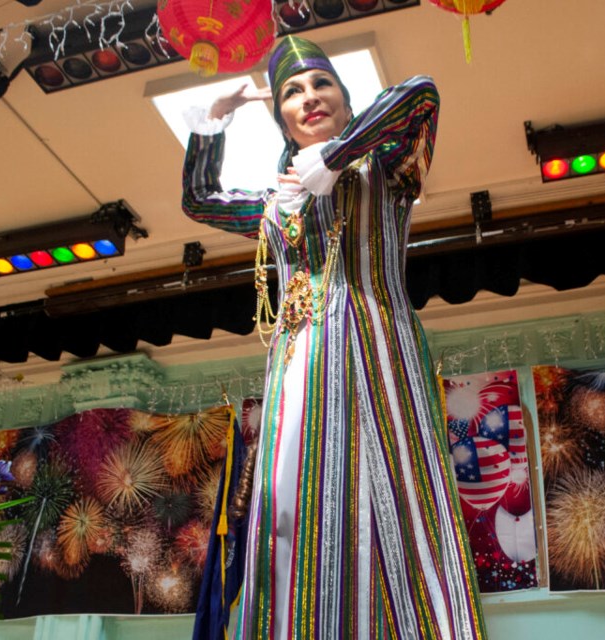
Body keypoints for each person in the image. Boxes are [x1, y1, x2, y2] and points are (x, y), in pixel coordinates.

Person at [181, 36, 487, 639]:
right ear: (283, 121)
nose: (310, 97)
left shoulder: (390, 170)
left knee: (402, 493)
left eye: (323, 85)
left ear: (349, 105)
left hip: (380, 353)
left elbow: (421, 93)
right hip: (297, 373)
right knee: (293, 511)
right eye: (293, 92)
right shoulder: (276, 200)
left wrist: (339, 155)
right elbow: (199, 199)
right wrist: (211, 122)